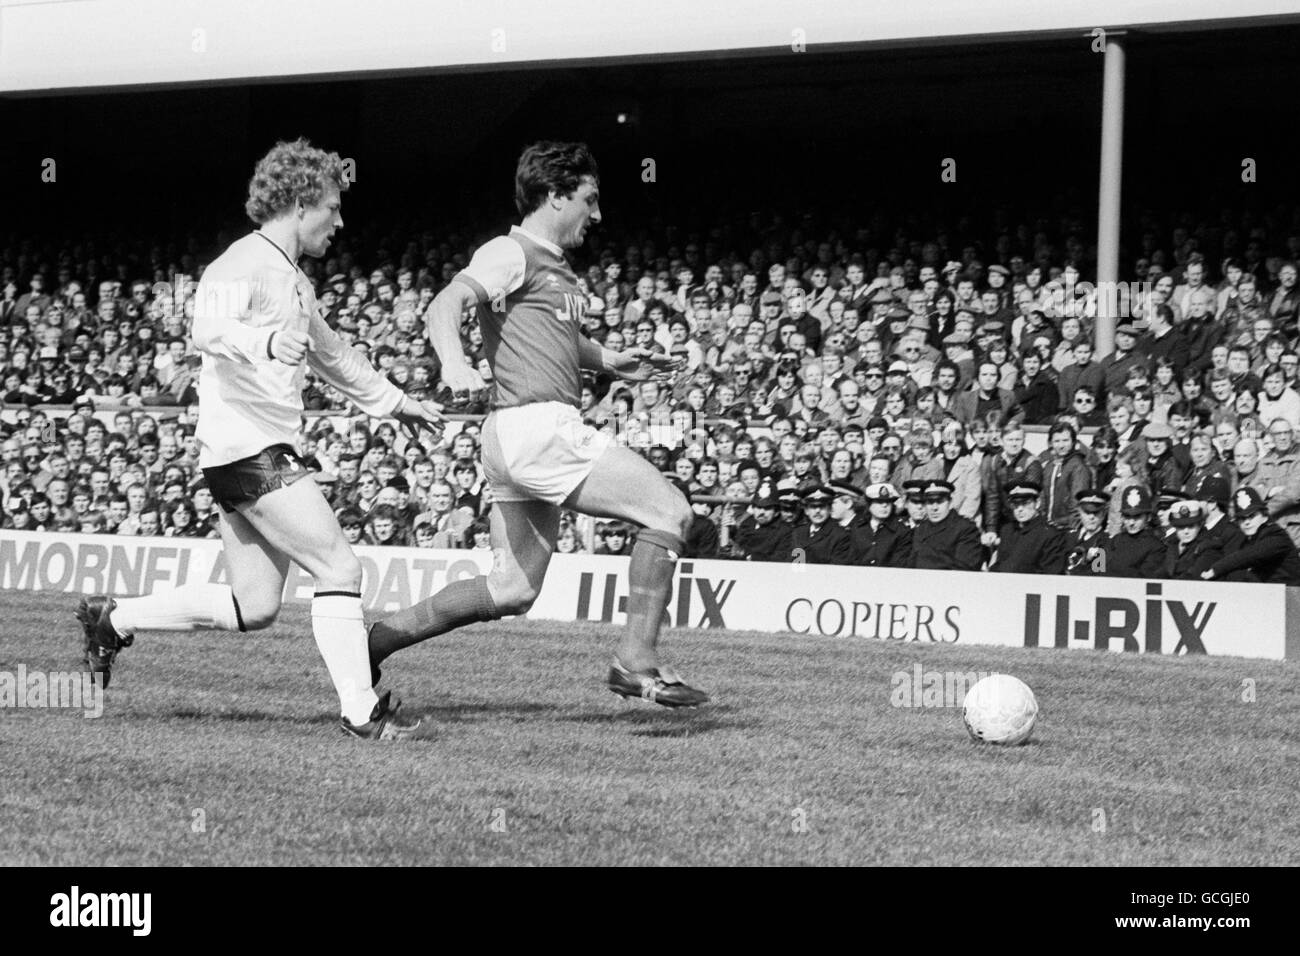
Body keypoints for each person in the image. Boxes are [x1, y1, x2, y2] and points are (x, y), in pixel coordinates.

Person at [72, 138, 444, 740]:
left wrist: (398, 404)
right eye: (333, 206)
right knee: (339, 565)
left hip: (245, 453)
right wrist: (264, 343)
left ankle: (114, 620)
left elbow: (335, 357)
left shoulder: (294, 280)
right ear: (301, 203)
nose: (340, 221)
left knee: (255, 607)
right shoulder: (240, 263)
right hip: (249, 449)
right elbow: (206, 327)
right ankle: (363, 713)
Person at [363, 141, 708, 707]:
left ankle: (376, 640)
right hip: (538, 426)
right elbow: (445, 304)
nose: (597, 215)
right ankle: (635, 660)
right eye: (589, 200)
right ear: (554, 195)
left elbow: (557, 341)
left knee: (512, 588)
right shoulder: (512, 251)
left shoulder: (553, 271)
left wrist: (609, 361)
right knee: (669, 510)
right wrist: (452, 362)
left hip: (509, 436)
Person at [1203, 487, 1300, 586]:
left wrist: (1217, 569)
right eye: (1241, 519)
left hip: (1290, 596)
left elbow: (1251, 555)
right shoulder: (1248, 539)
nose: (1247, 522)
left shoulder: (1277, 536)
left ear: (1264, 515)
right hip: (1265, 595)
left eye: (1252, 516)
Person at [990, 481, 1068, 574]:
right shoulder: (1007, 530)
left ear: (1037, 503)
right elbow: (1000, 565)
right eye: (1015, 504)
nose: (1020, 509)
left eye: (1025, 503)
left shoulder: (1050, 535)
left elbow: (1050, 574)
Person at [911, 479, 983, 571]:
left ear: (950, 502)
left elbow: (964, 568)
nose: (934, 508)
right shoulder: (921, 529)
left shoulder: (965, 528)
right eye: (930, 502)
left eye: (940, 502)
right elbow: (911, 564)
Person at [1106, 485, 1165, 578]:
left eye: (1137, 517)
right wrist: (1088, 561)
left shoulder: (1156, 547)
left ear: (1148, 517)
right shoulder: (1115, 540)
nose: (1131, 522)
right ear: (1121, 517)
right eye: (1127, 517)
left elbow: (1144, 579)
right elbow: (1096, 569)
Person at [848, 482, 911, 567]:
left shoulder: (901, 531)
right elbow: (851, 561)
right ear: (869, 505)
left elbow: (899, 564)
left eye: (888, 502)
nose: (884, 505)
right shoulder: (858, 528)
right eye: (879, 502)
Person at [1161, 501, 1223, 583]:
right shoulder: (1171, 544)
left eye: (1191, 526)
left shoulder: (1210, 546)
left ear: (1200, 525)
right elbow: (1162, 572)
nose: (1186, 531)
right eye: (1181, 527)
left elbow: (1193, 576)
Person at [790, 486, 852, 565]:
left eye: (822, 506)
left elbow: (837, 569)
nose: (817, 511)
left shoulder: (840, 535)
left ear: (829, 509)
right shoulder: (798, 532)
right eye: (813, 507)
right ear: (806, 511)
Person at [1065, 489, 1110, 575]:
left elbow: (1096, 578)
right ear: (1079, 512)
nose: (1091, 517)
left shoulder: (1105, 542)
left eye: (1096, 513)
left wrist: (1086, 561)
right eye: (1087, 512)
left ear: (1103, 514)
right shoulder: (1069, 536)